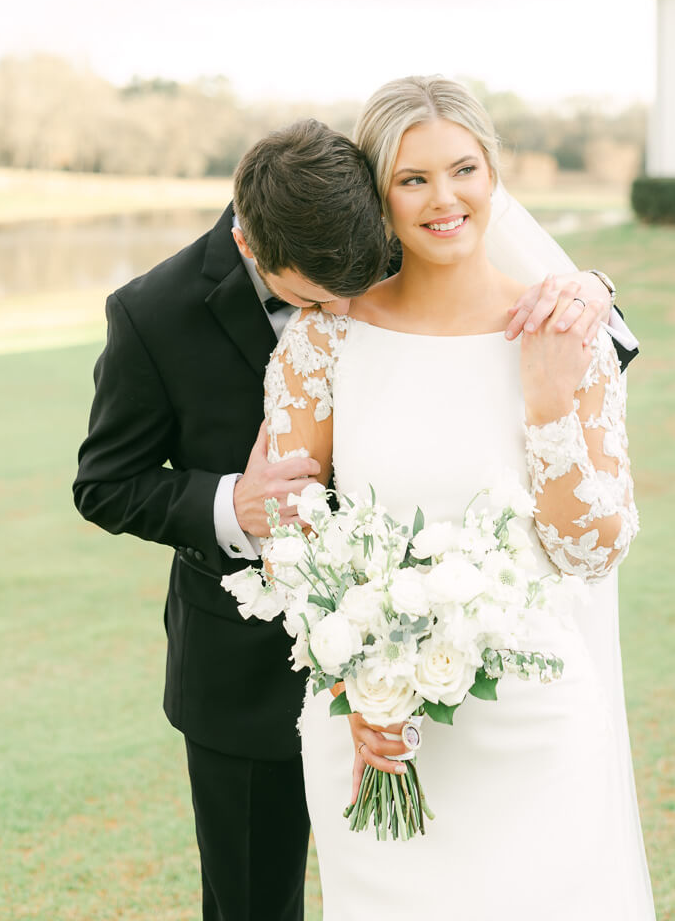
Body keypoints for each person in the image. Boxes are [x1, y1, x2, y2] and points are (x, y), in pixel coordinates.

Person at [73, 114, 637, 921]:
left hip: (458, 667)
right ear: (251, 250)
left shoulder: (344, 205)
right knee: (252, 904)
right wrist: (233, 503)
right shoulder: (149, 311)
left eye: (355, 282)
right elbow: (105, 482)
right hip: (245, 668)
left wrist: (592, 286)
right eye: (314, 295)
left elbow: (476, 239)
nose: (341, 307)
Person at [264, 77, 655, 920]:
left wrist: (549, 405)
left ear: (494, 175)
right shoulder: (326, 339)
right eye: (412, 179)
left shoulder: (564, 330)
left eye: (464, 169)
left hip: (534, 724)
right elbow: (285, 538)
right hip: (374, 736)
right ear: (379, 194)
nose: (445, 199)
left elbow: (593, 550)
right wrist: (356, 688)